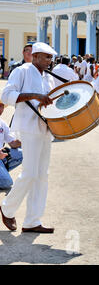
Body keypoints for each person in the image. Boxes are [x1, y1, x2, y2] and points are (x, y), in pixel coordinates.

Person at [0, 42, 57, 233]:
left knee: (42, 176)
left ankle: (32, 220)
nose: (49, 61)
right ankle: (7, 208)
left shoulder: (48, 77)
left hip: (45, 128)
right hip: (28, 127)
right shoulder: (21, 71)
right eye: (46, 57)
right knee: (30, 173)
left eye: (51, 58)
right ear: (35, 55)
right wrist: (34, 95)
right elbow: (7, 95)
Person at [0, 99, 23, 191]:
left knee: (24, 153)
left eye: (2, 106)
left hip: (1, 157)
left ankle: (2, 172)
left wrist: (26, 140)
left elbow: (13, 144)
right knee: (7, 183)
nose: (0, 109)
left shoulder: (2, 123)